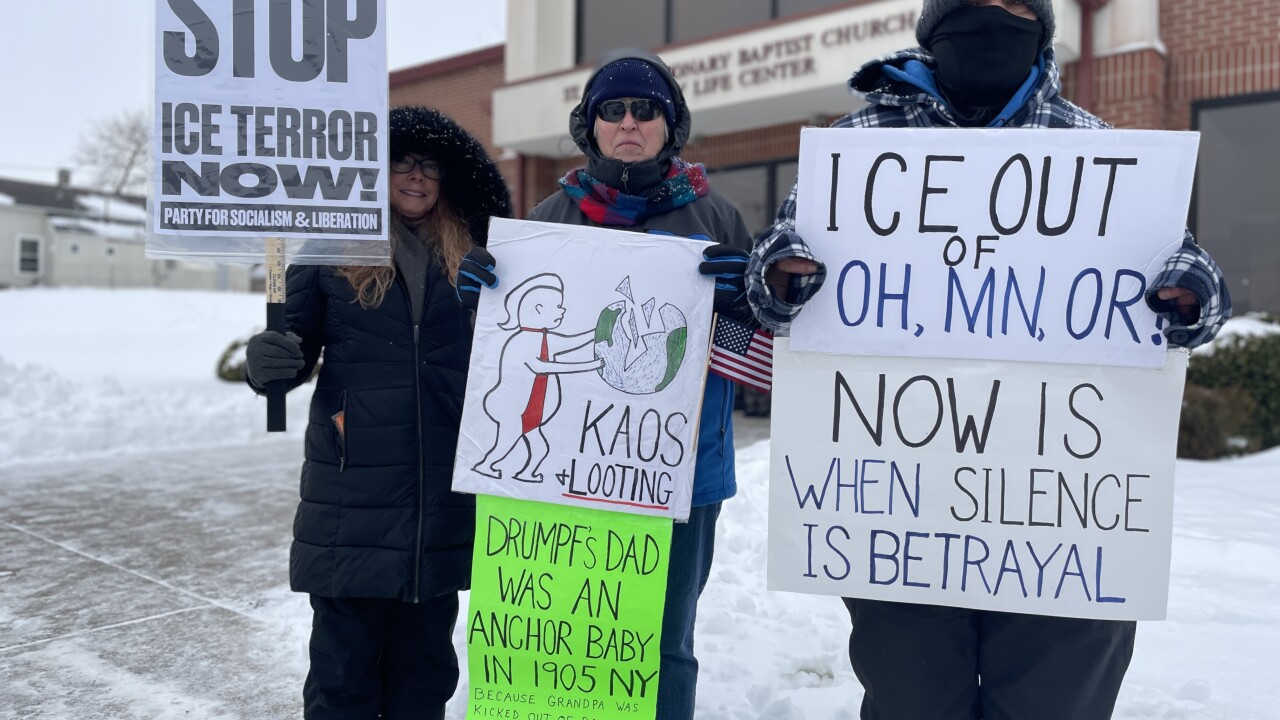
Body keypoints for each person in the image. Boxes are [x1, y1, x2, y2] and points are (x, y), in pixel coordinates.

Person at [745, 1, 1233, 718]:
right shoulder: (859, 148)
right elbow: (771, 277)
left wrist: (1192, 293)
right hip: (903, 510)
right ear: (936, 24)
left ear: (1037, 26)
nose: (992, 14)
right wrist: (779, 271)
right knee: (914, 700)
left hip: (1061, 518)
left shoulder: (1093, 146)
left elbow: (1190, 282)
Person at [455, 49, 756, 720]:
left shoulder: (716, 218)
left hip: (673, 470)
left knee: (663, 643)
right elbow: (506, 342)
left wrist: (742, 305)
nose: (627, 122)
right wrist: (478, 296)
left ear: (669, 123)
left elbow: (746, 352)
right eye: (610, 110)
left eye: (645, 109)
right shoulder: (545, 219)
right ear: (588, 126)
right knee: (568, 633)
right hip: (561, 465)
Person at [243, 105, 511, 720]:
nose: (415, 177)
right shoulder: (327, 248)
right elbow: (296, 352)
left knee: (423, 680)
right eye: (401, 164)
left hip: (441, 496)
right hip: (352, 495)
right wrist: (269, 361)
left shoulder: (478, 258)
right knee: (343, 681)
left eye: (429, 167)